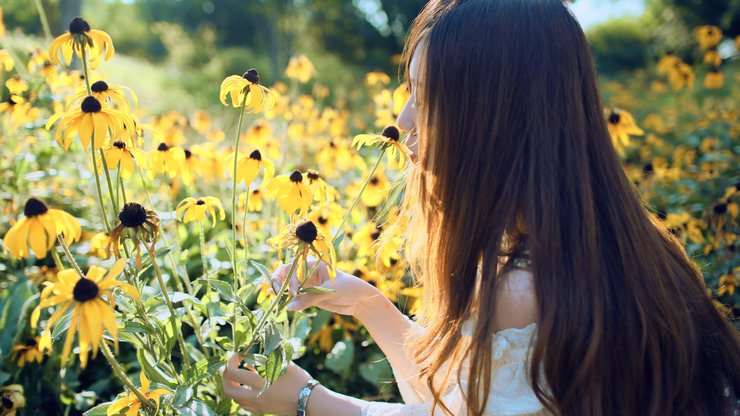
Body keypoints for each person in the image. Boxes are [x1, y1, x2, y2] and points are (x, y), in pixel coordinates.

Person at [221, 0, 740, 415]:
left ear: (491, 119)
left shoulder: (523, 287)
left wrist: (310, 401)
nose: (401, 122)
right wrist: (366, 305)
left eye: (424, 97)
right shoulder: (610, 242)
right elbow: (467, 391)